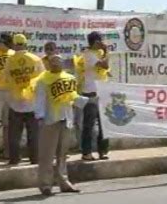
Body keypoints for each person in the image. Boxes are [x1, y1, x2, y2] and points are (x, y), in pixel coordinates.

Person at [34, 54, 89, 195]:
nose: (56, 63)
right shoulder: (43, 80)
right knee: (47, 154)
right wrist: (39, 117)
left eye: (58, 61)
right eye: (53, 61)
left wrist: (89, 100)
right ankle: (45, 185)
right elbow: (39, 99)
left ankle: (64, 183)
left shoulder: (70, 78)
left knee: (62, 154)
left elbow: (73, 97)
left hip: (66, 118)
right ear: (48, 63)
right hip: (50, 119)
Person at [4, 34, 44, 165]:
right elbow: (43, 80)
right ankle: (35, 159)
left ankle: (14, 159)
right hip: (32, 102)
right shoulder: (35, 59)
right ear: (25, 44)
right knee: (34, 135)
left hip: (15, 102)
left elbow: (6, 79)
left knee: (14, 135)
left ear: (14, 44)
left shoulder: (9, 61)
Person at [75, 31, 110, 161]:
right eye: (100, 41)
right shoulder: (88, 55)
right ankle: (86, 152)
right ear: (95, 42)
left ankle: (103, 151)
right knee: (89, 124)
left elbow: (106, 70)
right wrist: (106, 51)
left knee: (104, 124)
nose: (102, 43)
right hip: (90, 92)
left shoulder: (98, 54)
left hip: (102, 92)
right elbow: (104, 65)